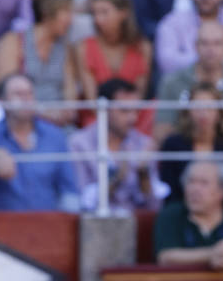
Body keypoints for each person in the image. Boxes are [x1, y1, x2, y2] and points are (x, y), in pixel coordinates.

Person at [0, 72, 78, 210]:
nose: (26, 99)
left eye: (29, 93)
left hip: (47, 225)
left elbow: (69, 189)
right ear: (2, 101)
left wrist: (70, 225)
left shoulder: (55, 136)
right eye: (18, 94)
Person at [0, 0, 92, 128]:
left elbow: (70, 92)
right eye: (66, 11)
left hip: (59, 125)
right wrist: (43, 113)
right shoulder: (14, 42)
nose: (71, 19)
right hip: (20, 122)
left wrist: (66, 112)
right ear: (47, 13)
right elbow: (4, 92)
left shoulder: (66, 47)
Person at [154, 20, 223, 148]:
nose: (210, 50)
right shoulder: (172, 82)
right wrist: (194, 123)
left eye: (217, 43)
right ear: (195, 46)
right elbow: (160, 135)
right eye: (204, 43)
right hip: (184, 158)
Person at [70, 77, 166, 212]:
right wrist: (116, 179)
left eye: (135, 111)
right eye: (124, 111)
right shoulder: (79, 144)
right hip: (93, 227)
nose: (133, 118)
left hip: (136, 226)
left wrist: (144, 176)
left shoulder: (143, 144)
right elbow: (82, 202)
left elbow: (155, 207)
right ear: (103, 110)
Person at [154, 158, 223, 268]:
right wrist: (211, 254)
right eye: (191, 181)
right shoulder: (170, 215)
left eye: (204, 183)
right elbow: (165, 257)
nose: (195, 189)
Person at [158, 81, 223, 203]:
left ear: (219, 113)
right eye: (198, 107)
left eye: (209, 107)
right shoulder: (172, 145)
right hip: (182, 210)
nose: (203, 113)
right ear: (189, 111)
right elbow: (169, 190)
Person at [73, 0, 152, 130]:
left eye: (104, 12)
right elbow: (92, 101)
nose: (98, 19)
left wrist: (126, 118)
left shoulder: (142, 47)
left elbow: (139, 94)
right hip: (97, 119)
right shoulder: (84, 47)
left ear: (123, 13)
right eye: (94, 13)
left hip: (133, 117)